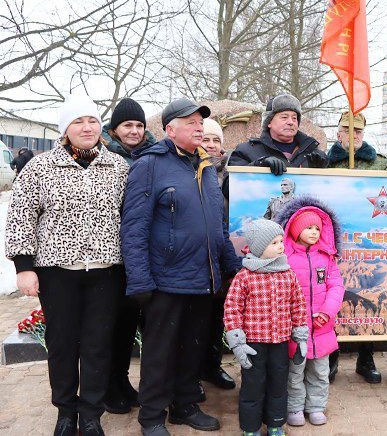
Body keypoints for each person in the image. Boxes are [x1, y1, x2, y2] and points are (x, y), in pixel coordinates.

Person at [5, 94, 130, 436]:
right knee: (61, 344)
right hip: (57, 271)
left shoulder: (118, 167)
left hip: (106, 270)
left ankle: (90, 414)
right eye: (78, 121)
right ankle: (65, 411)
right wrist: (23, 266)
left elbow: (130, 216)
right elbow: (21, 216)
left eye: (92, 120)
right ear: (65, 129)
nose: (87, 127)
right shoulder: (40, 167)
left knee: (97, 344)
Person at [121, 98, 242, 435]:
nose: (199, 128)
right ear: (170, 130)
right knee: (160, 353)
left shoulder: (205, 165)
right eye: (190, 123)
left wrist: (231, 267)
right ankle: (152, 417)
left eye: (200, 123)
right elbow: (134, 227)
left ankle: (184, 406)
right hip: (166, 279)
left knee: (192, 348)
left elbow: (217, 226)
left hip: (203, 278)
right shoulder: (150, 165)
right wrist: (139, 279)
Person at [223, 219, 309, 436]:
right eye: (274, 243)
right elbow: (232, 307)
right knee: (253, 386)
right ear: (259, 247)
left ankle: (275, 424)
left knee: (278, 385)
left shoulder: (287, 274)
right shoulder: (245, 276)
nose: (280, 246)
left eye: (281, 241)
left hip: (280, 342)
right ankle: (250, 428)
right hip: (253, 344)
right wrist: (237, 341)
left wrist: (300, 334)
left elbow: (298, 304)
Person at [100, 97, 157, 415]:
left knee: (128, 323)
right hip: (111, 252)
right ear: (114, 129)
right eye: (127, 125)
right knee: (111, 324)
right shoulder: (104, 156)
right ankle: (109, 386)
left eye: (138, 125)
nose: (134, 131)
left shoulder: (152, 155)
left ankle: (122, 381)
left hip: (141, 252)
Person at [326, 111, 387, 385]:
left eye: (358, 131)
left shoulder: (381, 164)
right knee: (331, 299)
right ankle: (330, 358)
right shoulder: (323, 163)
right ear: (338, 133)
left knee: (366, 297)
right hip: (332, 240)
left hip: (368, 242)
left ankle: (366, 359)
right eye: (347, 130)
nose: (353, 135)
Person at [276, 196, 346, 427]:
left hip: (321, 328)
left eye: (317, 228)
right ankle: (294, 407)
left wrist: (327, 312)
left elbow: (336, 286)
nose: (314, 232)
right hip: (296, 328)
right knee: (294, 372)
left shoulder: (326, 258)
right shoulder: (285, 259)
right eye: (309, 228)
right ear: (295, 230)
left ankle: (316, 406)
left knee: (320, 371)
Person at [193, 117, 238, 394]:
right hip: (200, 255)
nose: (211, 145)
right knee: (197, 319)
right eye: (206, 139)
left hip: (226, 253)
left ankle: (212, 365)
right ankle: (193, 372)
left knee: (217, 317)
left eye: (216, 140)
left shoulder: (234, 171)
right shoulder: (192, 167)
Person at [227, 93, 329, 182]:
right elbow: (228, 188)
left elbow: (331, 190)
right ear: (269, 122)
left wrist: (319, 172)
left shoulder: (315, 155)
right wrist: (258, 166)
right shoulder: (246, 151)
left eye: (294, 118)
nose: (290, 122)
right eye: (284, 117)